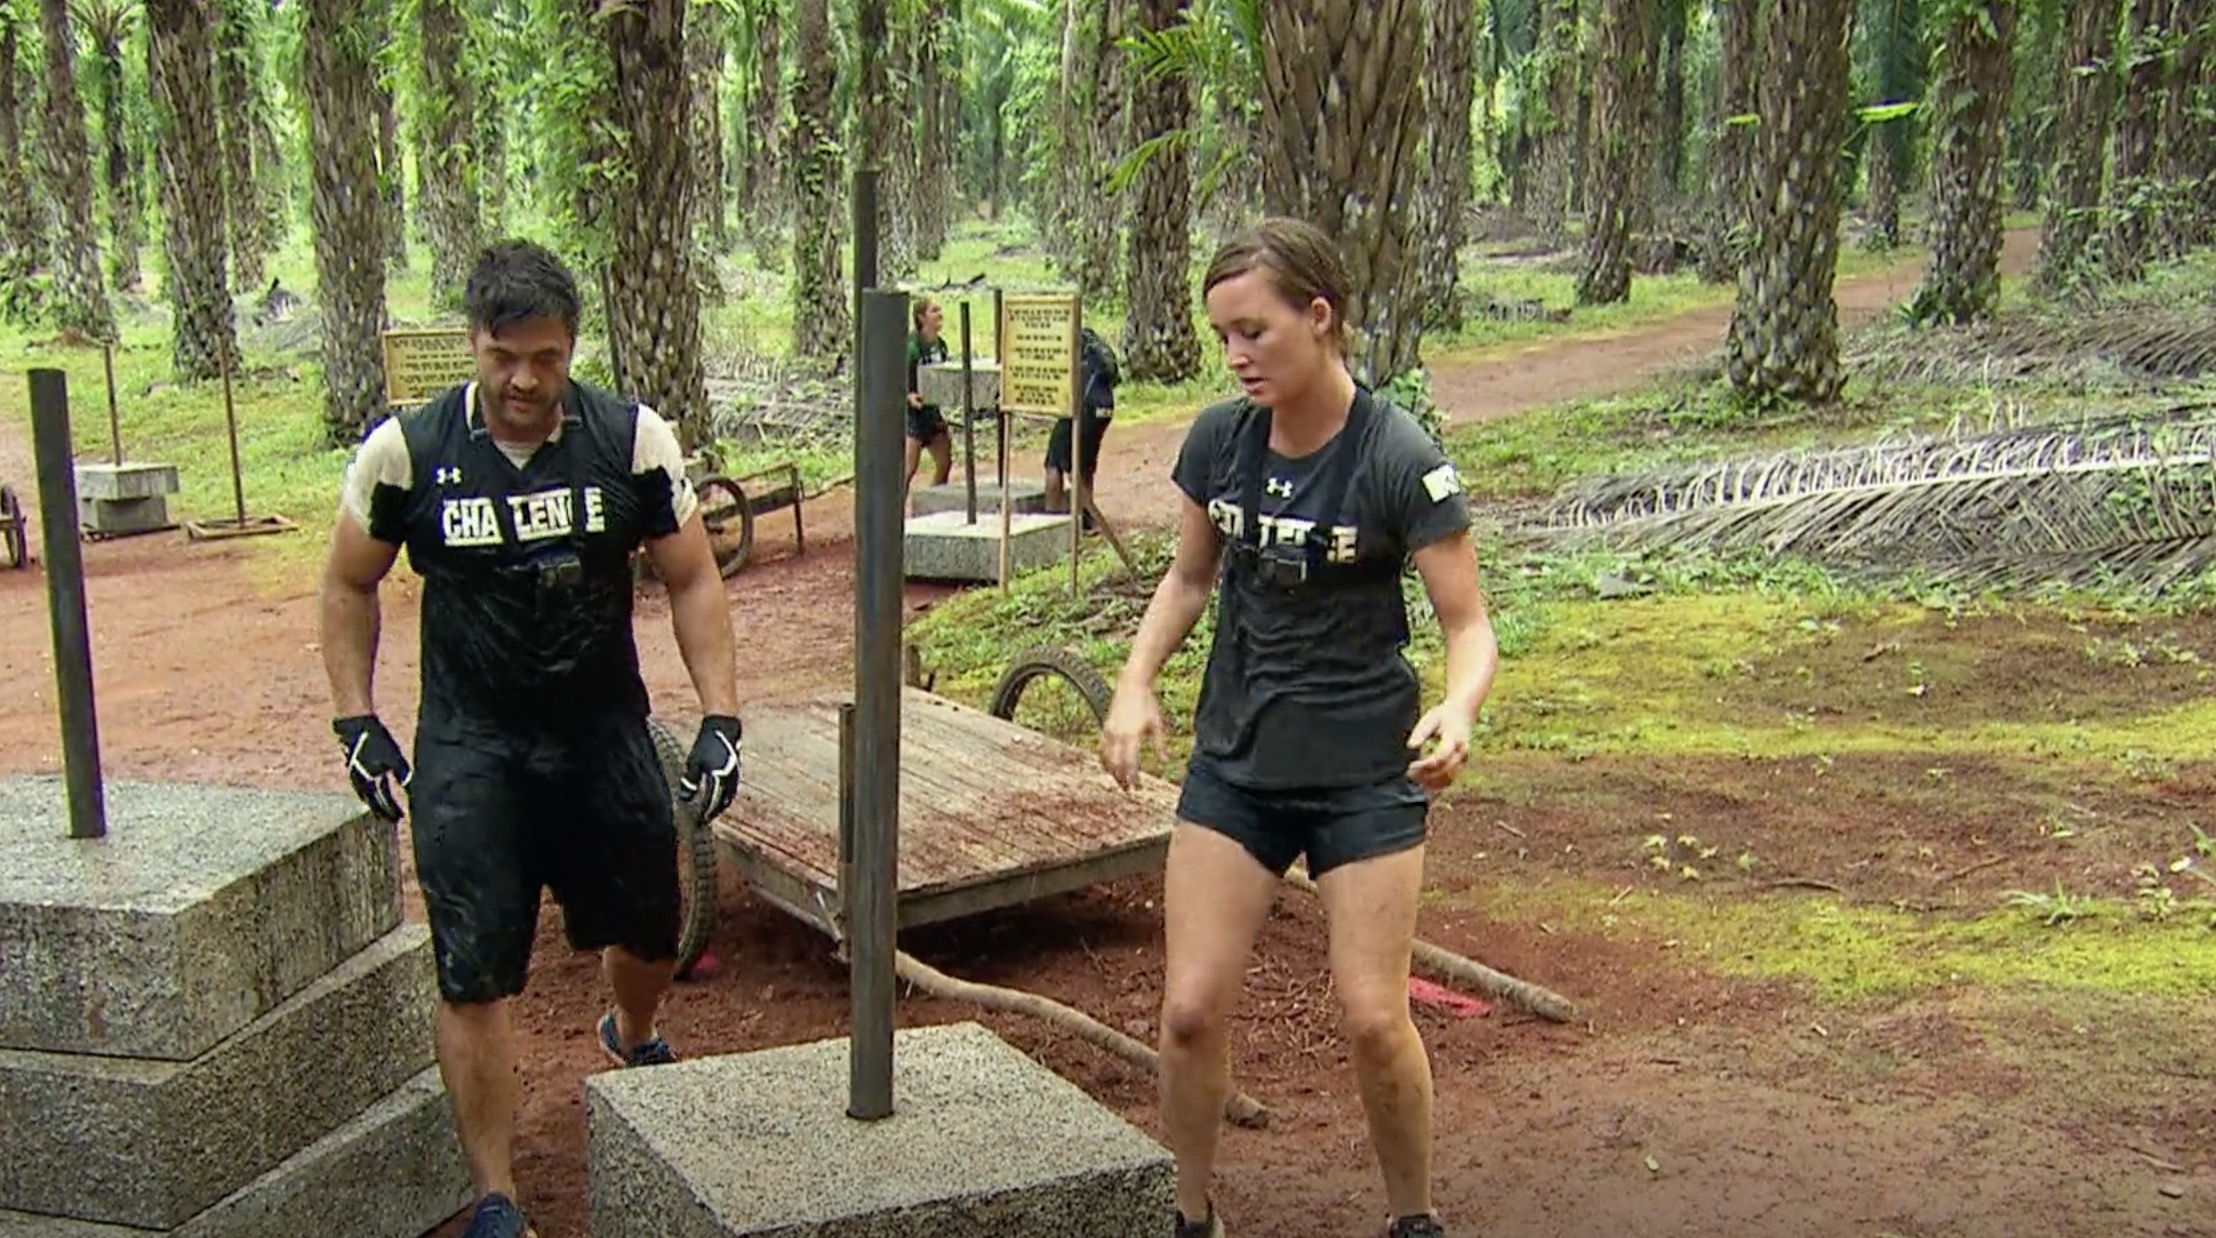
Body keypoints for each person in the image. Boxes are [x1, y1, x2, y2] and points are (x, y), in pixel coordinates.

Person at [317, 239, 745, 1238]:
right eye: (503, 356)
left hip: (601, 729)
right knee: (471, 966)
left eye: (545, 358)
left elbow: (691, 576)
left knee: (652, 925)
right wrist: (354, 718)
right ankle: (496, 1193)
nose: (523, 379)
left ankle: (630, 1027)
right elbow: (347, 581)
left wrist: (721, 716)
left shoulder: (630, 440)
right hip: (471, 742)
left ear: (570, 349)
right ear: (473, 342)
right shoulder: (407, 451)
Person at [1099, 217, 1499, 1238]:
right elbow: (1189, 577)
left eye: (1254, 331)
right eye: (1222, 336)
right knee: (1190, 1010)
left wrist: (1456, 708)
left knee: (1372, 1015)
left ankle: (1412, 1217)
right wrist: (1134, 681)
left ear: (1318, 317)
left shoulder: (1395, 454)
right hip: (1237, 765)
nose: (1236, 356)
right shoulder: (1219, 441)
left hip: (1364, 775)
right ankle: (1190, 1212)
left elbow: (1468, 625)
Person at [1043, 324, 1119, 520]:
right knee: (1084, 465)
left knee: (1054, 463)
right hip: (1104, 406)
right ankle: (1085, 518)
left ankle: (1052, 520)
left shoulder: (1061, 342)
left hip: (1082, 405)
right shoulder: (1089, 339)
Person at [905, 296, 954, 496]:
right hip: (912, 417)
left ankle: (933, 503)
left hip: (932, 413)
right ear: (921, 317)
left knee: (944, 463)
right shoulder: (911, 347)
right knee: (908, 469)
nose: (940, 314)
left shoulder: (941, 346)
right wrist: (909, 396)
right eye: (934, 311)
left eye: (940, 310)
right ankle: (895, 510)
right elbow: (896, 378)